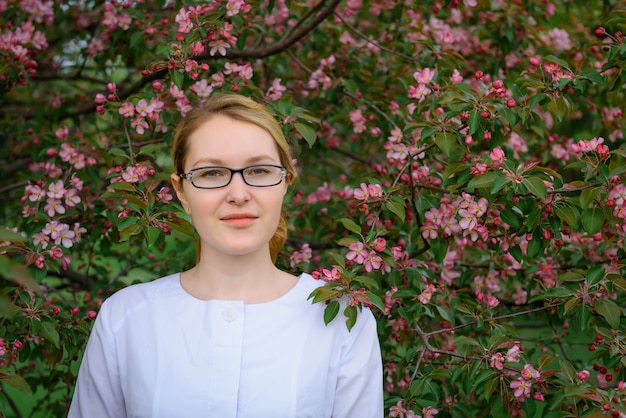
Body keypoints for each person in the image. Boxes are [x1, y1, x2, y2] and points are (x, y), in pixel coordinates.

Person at [68, 93, 383, 418]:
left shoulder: (343, 322)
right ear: (181, 192)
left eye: (259, 171)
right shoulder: (125, 320)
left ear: (285, 182)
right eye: (211, 173)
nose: (238, 194)